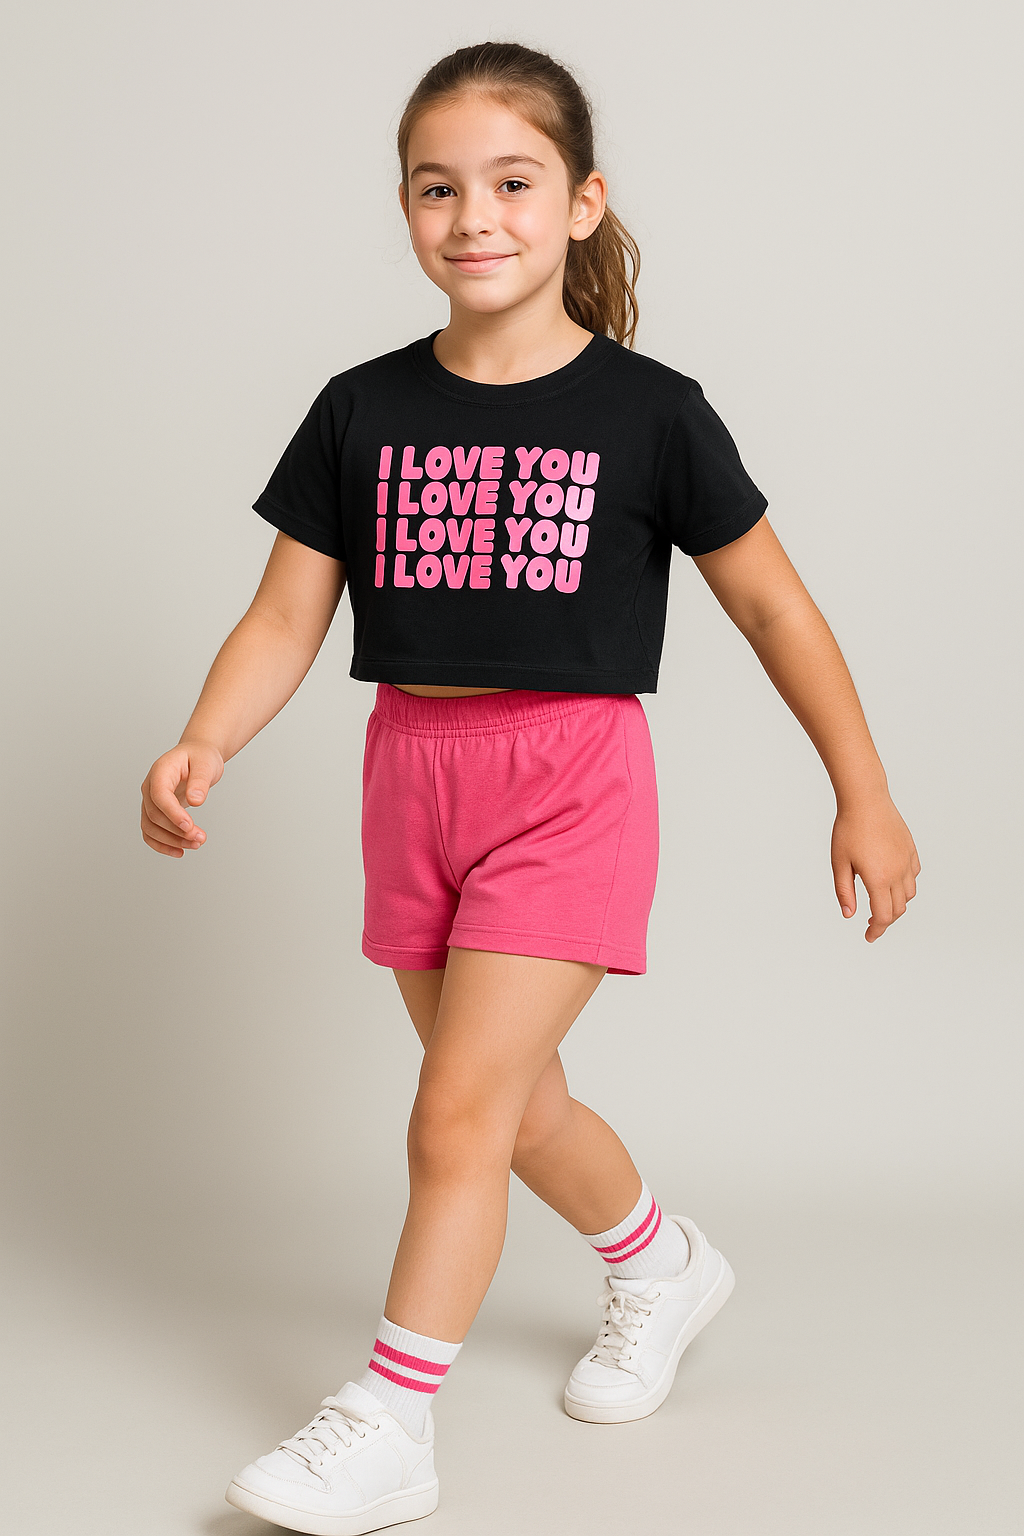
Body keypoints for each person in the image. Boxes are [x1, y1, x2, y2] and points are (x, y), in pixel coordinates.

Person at [139, 38, 920, 1536]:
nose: (474, 216)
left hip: (569, 784)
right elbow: (288, 614)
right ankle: (661, 1265)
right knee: (514, 1105)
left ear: (582, 204)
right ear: (405, 209)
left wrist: (862, 790)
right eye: (438, 188)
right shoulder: (360, 406)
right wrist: (207, 737)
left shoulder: (652, 412)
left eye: (512, 182)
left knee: (452, 1115)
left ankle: (389, 1422)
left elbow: (774, 607)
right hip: (411, 780)